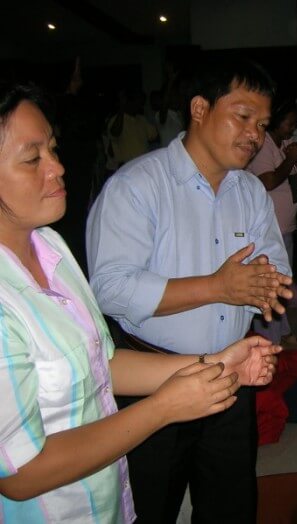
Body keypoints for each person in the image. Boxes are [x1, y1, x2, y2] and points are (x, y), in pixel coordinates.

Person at [0, 83, 280, 523]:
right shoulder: (136, 186)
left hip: (113, 484)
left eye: (52, 149)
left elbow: (101, 363)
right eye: (33, 158)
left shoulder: (51, 249)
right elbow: (19, 474)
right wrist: (166, 404)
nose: (58, 167)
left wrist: (219, 363)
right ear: (200, 108)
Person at [87, 60, 293, 522]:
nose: (255, 135)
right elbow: (110, 290)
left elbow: (276, 268)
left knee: (230, 506)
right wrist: (218, 287)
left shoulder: (250, 192)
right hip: (152, 379)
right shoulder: (137, 186)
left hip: (232, 376)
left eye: (262, 124)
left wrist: (266, 285)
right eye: (243, 117)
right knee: (149, 506)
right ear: (200, 109)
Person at [247, 98, 297, 347]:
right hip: (271, 228)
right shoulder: (263, 147)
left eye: (294, 124)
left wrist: (296, 159)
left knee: (282, 282)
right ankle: (268, 340)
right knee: (270, 285)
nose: (292, 128)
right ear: (276, 121)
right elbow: (268, 181)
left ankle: (282, 330)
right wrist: (290, 159)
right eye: (289, 123)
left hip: (285, 227)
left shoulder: (283, 144)